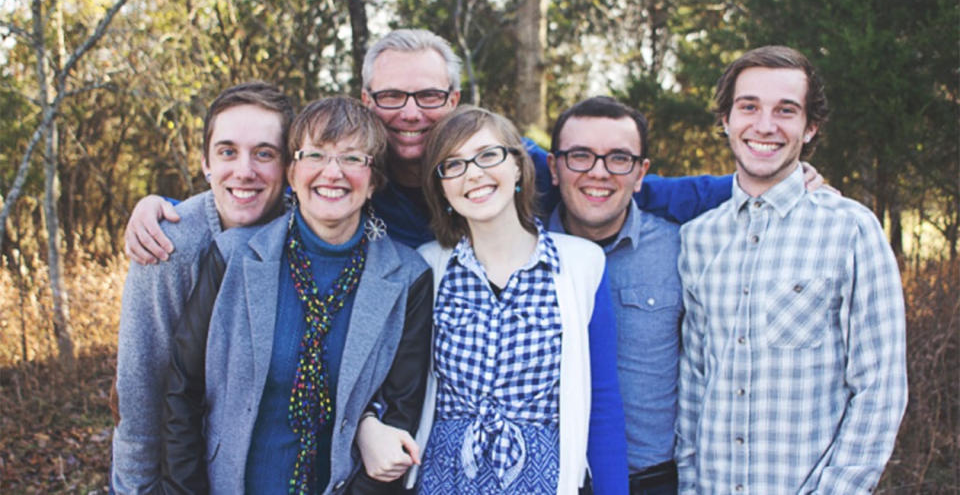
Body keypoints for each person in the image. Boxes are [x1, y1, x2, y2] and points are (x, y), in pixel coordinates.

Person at [122, 29, 735, 259]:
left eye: (429, 97)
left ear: (455, 97)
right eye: (391, 97)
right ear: (367, 100)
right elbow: (257, 187)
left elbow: (619, 183)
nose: (410, 114)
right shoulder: (347, 171)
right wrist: (166, 209)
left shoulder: (499, 162)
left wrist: (750, 184)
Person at [161, 96, 433, 494]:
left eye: (353, 159)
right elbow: (182, 392)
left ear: (374, 180)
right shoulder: (233, 257)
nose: (332, 172)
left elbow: (399, 418)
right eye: (315, 155)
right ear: (291, 173)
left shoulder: (408, 279)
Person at [675, 46, 907, 493]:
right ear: (725, 119)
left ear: (810, 126)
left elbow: (880, 391)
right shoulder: (698, 239)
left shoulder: (852, 230)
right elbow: (695, 384)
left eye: (786, 110)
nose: (765, 126)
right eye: (749, 107)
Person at [409, 106, 629, 494]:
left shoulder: (581, 264)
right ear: (441, 187)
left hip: (542, 478)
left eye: (488, 155)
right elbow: (396, 384)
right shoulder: (428, 265)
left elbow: (603, 403)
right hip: (446, 476)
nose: (473, 173)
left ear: (517, 167)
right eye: (454, 165)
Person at [112, 81, 294, 494]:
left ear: (288, 166)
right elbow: (141, 388)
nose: (244, 170)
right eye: (227, 152)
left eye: (264, 154)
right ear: (205, 163)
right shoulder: (169, 246)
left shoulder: (308, 230)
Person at [546, 96, 681, 494]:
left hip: (652, 481)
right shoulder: (520, 252)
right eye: (580, 156)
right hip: (547, 480)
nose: (599, 173)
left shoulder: (680, 251)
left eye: (619, 159)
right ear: (554, 168)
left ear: (641, 174)